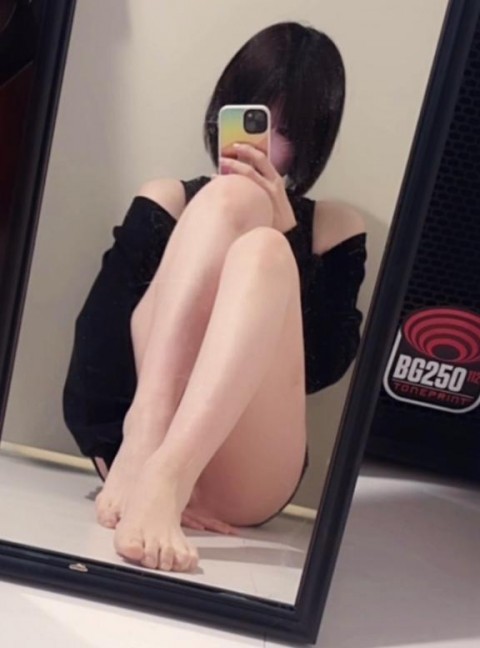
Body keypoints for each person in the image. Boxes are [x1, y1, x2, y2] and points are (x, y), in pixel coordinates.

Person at [62, 21, 367, 573]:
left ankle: (169, 473)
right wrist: (113, 458)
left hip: (245, 471)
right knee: (229, 202)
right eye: (252, 117)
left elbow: (318, 370)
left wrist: (285, 232)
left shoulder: (332, 227)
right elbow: (96, 356)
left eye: (284, 130)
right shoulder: (168, 201)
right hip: (136, 449)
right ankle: (150, 447)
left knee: (263, 253)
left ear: (310, 142)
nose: (261, 144)